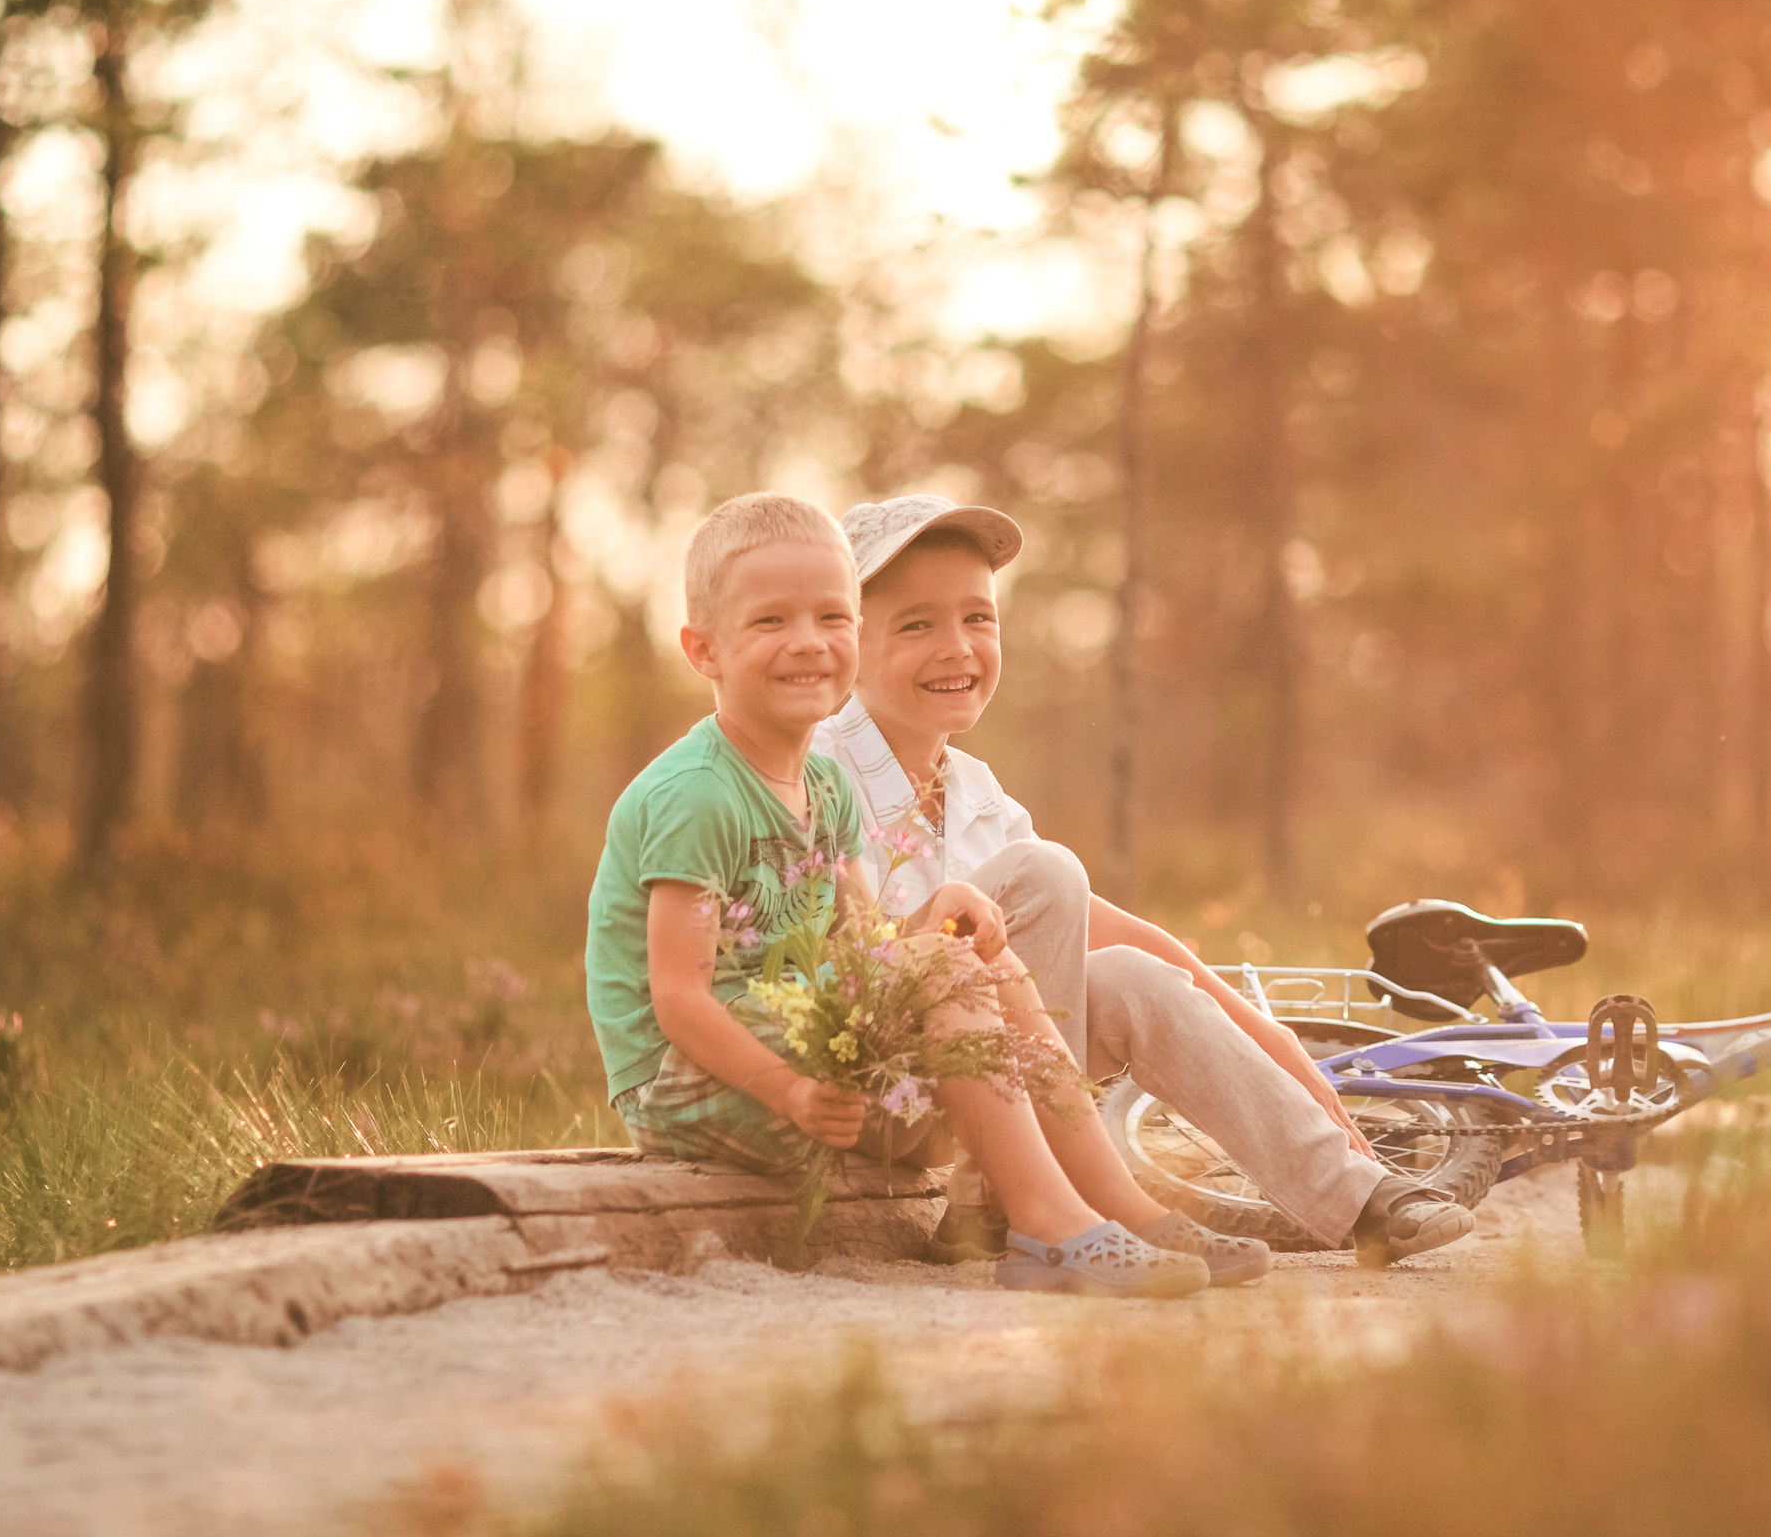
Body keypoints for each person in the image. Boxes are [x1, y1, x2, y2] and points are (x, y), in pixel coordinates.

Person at [582, 491, 1254, 1296]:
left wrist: (932, 923)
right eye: (770, 623)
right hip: (691, 1082)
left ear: (857, 635)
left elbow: (868, 949)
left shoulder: (822, 784)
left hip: (804, 1042)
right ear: (703, 650)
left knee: (982, 963)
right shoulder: (698, 796)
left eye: (832, 618)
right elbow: (679, 1000)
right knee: (941, 972)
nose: (808, 643)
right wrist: (790, 1091)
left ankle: (1115, 1203)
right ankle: (1046, 1224)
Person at [813, 495, 1475, 1269]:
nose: (957, 648)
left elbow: (1105, 929)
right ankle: (1012, 1201)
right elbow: (820, 966)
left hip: (977, 1085)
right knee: (1046, 871)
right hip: (863, 1089)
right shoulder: (821, 770)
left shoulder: (974, 791)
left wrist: (1269, 1034)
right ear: (848, 645)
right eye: (917, 625)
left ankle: (1355, 1197)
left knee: (1127, 972)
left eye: (978, 619)